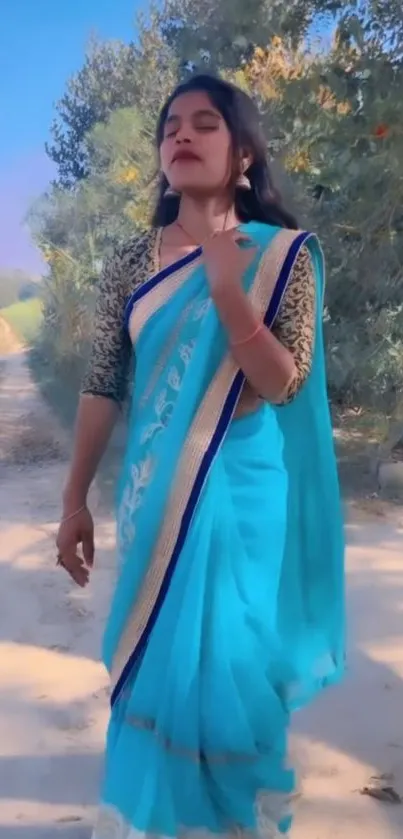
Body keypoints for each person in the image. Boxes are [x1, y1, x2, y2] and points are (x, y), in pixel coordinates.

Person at [56, 74, 345, 839]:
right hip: (156, 493)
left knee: (233, 667)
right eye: (170, 126)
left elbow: (283, 384)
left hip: (245, 494)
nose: (180, 135)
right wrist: (73, 498)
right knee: (158, 661)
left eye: (204, 123)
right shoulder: (132, 259)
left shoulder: (283, 256)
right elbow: (101, 382)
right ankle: (151, 821)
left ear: (242, 148)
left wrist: (227, 290)